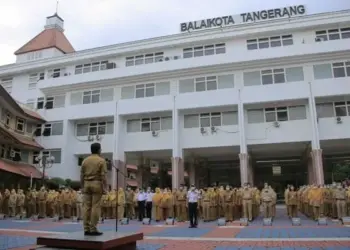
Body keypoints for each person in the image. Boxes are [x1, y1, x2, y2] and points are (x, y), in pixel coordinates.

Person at [81, 143, 107, 236]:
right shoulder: (101, 160)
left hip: (86, 183)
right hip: (96, 183)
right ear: (99, 150)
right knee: (95, 206)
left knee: (86, 207)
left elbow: (81, 175)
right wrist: (105, 187)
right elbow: (103, 176)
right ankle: (93, 228)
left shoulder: (85, 160)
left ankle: (86, 229)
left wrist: (82, 186)